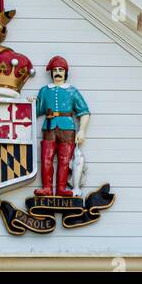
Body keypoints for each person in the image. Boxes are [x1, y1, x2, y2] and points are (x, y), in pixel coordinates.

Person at [34, 55, 90, 197]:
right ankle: (47, 188)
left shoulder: (72, 91)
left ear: (65, 72)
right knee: (46, 158)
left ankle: (61, 188)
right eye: (55, 70)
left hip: (67, 128)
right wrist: (31, 103)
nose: (58, 72)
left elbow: (84, 112)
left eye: (61, 69)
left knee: (65, 160)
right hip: (49, 127)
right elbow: (36, 110)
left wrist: (82, 131)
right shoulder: (44, 90)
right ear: (51, 73)